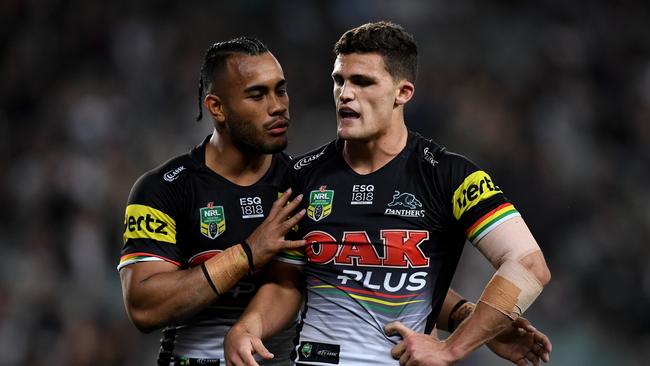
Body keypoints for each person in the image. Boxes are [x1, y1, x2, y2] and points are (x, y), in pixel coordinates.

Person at [224, 21, 551, 366]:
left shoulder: (448, 176)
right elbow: (288, 281)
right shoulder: (301, 175)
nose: (345, 94)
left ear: (403, 92)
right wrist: (248, 326)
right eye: (339, 80)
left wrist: (452, 346)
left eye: (362, 82)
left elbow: (528, 264)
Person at [118, 36, 307, 365]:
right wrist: (246, 255)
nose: (278, 106)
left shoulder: (302, 185)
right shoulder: (161, 190)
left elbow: (287, 284)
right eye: (257, 94)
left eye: (280, 89)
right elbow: (143, 308)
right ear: (217, 108)